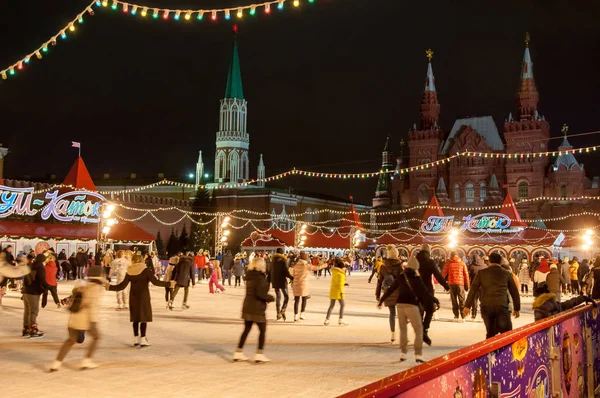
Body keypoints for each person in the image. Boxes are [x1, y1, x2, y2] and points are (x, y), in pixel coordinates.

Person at [378, 255, 438, 363]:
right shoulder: (416, 278)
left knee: (403, 330)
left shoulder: (401, 276)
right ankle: (418, 354)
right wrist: (435, 300)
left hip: (400, 305)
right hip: (411, 305)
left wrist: (382, 300)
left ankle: (403, 353)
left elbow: (391, 289)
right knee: (419, 329)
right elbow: (425, 293)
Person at [109, 254, 175, 347]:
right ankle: (143, 339)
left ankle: (136, 339)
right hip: (143, 296)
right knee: (143, 318)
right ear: (141, 260)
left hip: (133, 296)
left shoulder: (130, 271)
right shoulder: (146, 270)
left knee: (135, 318)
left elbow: (122, 286)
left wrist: (109, 287)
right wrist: (169, 284)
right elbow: (156, 282)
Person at [50, 266, 106, 371]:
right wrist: (93, 321)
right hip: (86, 318)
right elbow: (92, 304)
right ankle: (87, 361)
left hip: (74, 316)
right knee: (97, 337)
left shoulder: (84, 285)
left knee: (71, 340)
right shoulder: (96, 287)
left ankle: (56, 363)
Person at [464, 252, 521, 339]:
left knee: (490, 333)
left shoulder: (481, 273)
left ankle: (490, 351)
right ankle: (503, 351)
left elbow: (473, 290)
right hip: (502, 306)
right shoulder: (506, 273)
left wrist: (467, 306)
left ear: (489, 262)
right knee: (506, 334)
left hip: (486, 306)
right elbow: (514, 292)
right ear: (500, 262)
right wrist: (517, 308)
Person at [233, 256, 275, 363]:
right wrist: (270, 298)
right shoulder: (260, 277)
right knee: (262, 331)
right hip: (257, 307)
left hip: (248, 305)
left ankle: (238, 352)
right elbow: (260, 294)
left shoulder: (249, 276)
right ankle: (259, 354)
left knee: (246, 329)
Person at [416, 244, 449, 344]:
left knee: (419, 312)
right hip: (428, 290)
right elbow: (438, 276)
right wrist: (447, 287)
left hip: (415, 290)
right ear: (429, 252)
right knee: (430, 310)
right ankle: (425, 329)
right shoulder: (430, 262)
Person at [375, 245, 403, 342]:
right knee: (402, 314)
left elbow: (379, 281)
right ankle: (403, 335)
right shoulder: (399, 265)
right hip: (399, 292)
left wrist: (377, 295)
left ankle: (393, 334)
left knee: (392, 313)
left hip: (388, 292)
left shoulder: (383, 266)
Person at [290, 251, 326, 322]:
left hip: (296, 284)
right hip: (303, 284)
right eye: (306, 256)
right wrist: (324, 265)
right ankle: (302, 314)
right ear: (304, 257)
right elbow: (315, 268)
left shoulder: (296, 265)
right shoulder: (306, 265)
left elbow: (292, 274)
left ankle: (295, 315)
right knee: (304, 299)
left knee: (296, 300)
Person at [532, 283, 596, 321]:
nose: (534, 299)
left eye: (535, 297)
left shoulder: (539, 309)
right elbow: (568, 303)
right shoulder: (554, 303)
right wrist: (583, 298)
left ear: (539, 297)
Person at [23, 253, 50, 338]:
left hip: (26, 291)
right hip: (33, 292)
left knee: (27, 311)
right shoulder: (40, 267)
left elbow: (25, 278)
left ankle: (26, 328)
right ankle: (33, 329)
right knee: (33, 311)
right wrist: (47, 287)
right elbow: (42, 280)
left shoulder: (30, 265)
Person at [442, 252, 470, 322]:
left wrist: (443, 283)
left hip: (451, 283)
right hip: (460, 283)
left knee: (454, 300)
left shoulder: (448, 263)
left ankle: (456, 315)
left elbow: (443, 273)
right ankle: (463, 316)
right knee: (462, 300)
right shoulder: (462, 263)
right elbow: (466, 274)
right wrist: (467, 285)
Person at [268, 248, 293, 321]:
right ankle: (283, 309)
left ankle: (278, 312)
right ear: (282, 253)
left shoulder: (272, 261)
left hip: (275, 281)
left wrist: (268, 281)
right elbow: (286, 271)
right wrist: (291, 277)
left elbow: (269, 272)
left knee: (278, 297)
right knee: (286, 296)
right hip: (282, 281)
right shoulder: (283, 261)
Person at [324, 258, 349, 326]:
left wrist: (344, 283)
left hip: (333, 290)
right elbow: (340, 284)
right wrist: (341, 292)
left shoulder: (335, 271)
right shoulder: (341, 274)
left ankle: (327, 319)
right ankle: (341, 319)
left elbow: (336, 281)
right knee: (342, 305)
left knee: (331, 306)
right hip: (339, 291)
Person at [468, 254, 487, 321]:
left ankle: (473, 315)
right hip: (483, 286)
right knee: (483, 301)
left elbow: (469, 276)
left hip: (474, 286)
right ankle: (483, 315)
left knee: (474, 301)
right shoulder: (485, 266)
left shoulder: (471, 266)